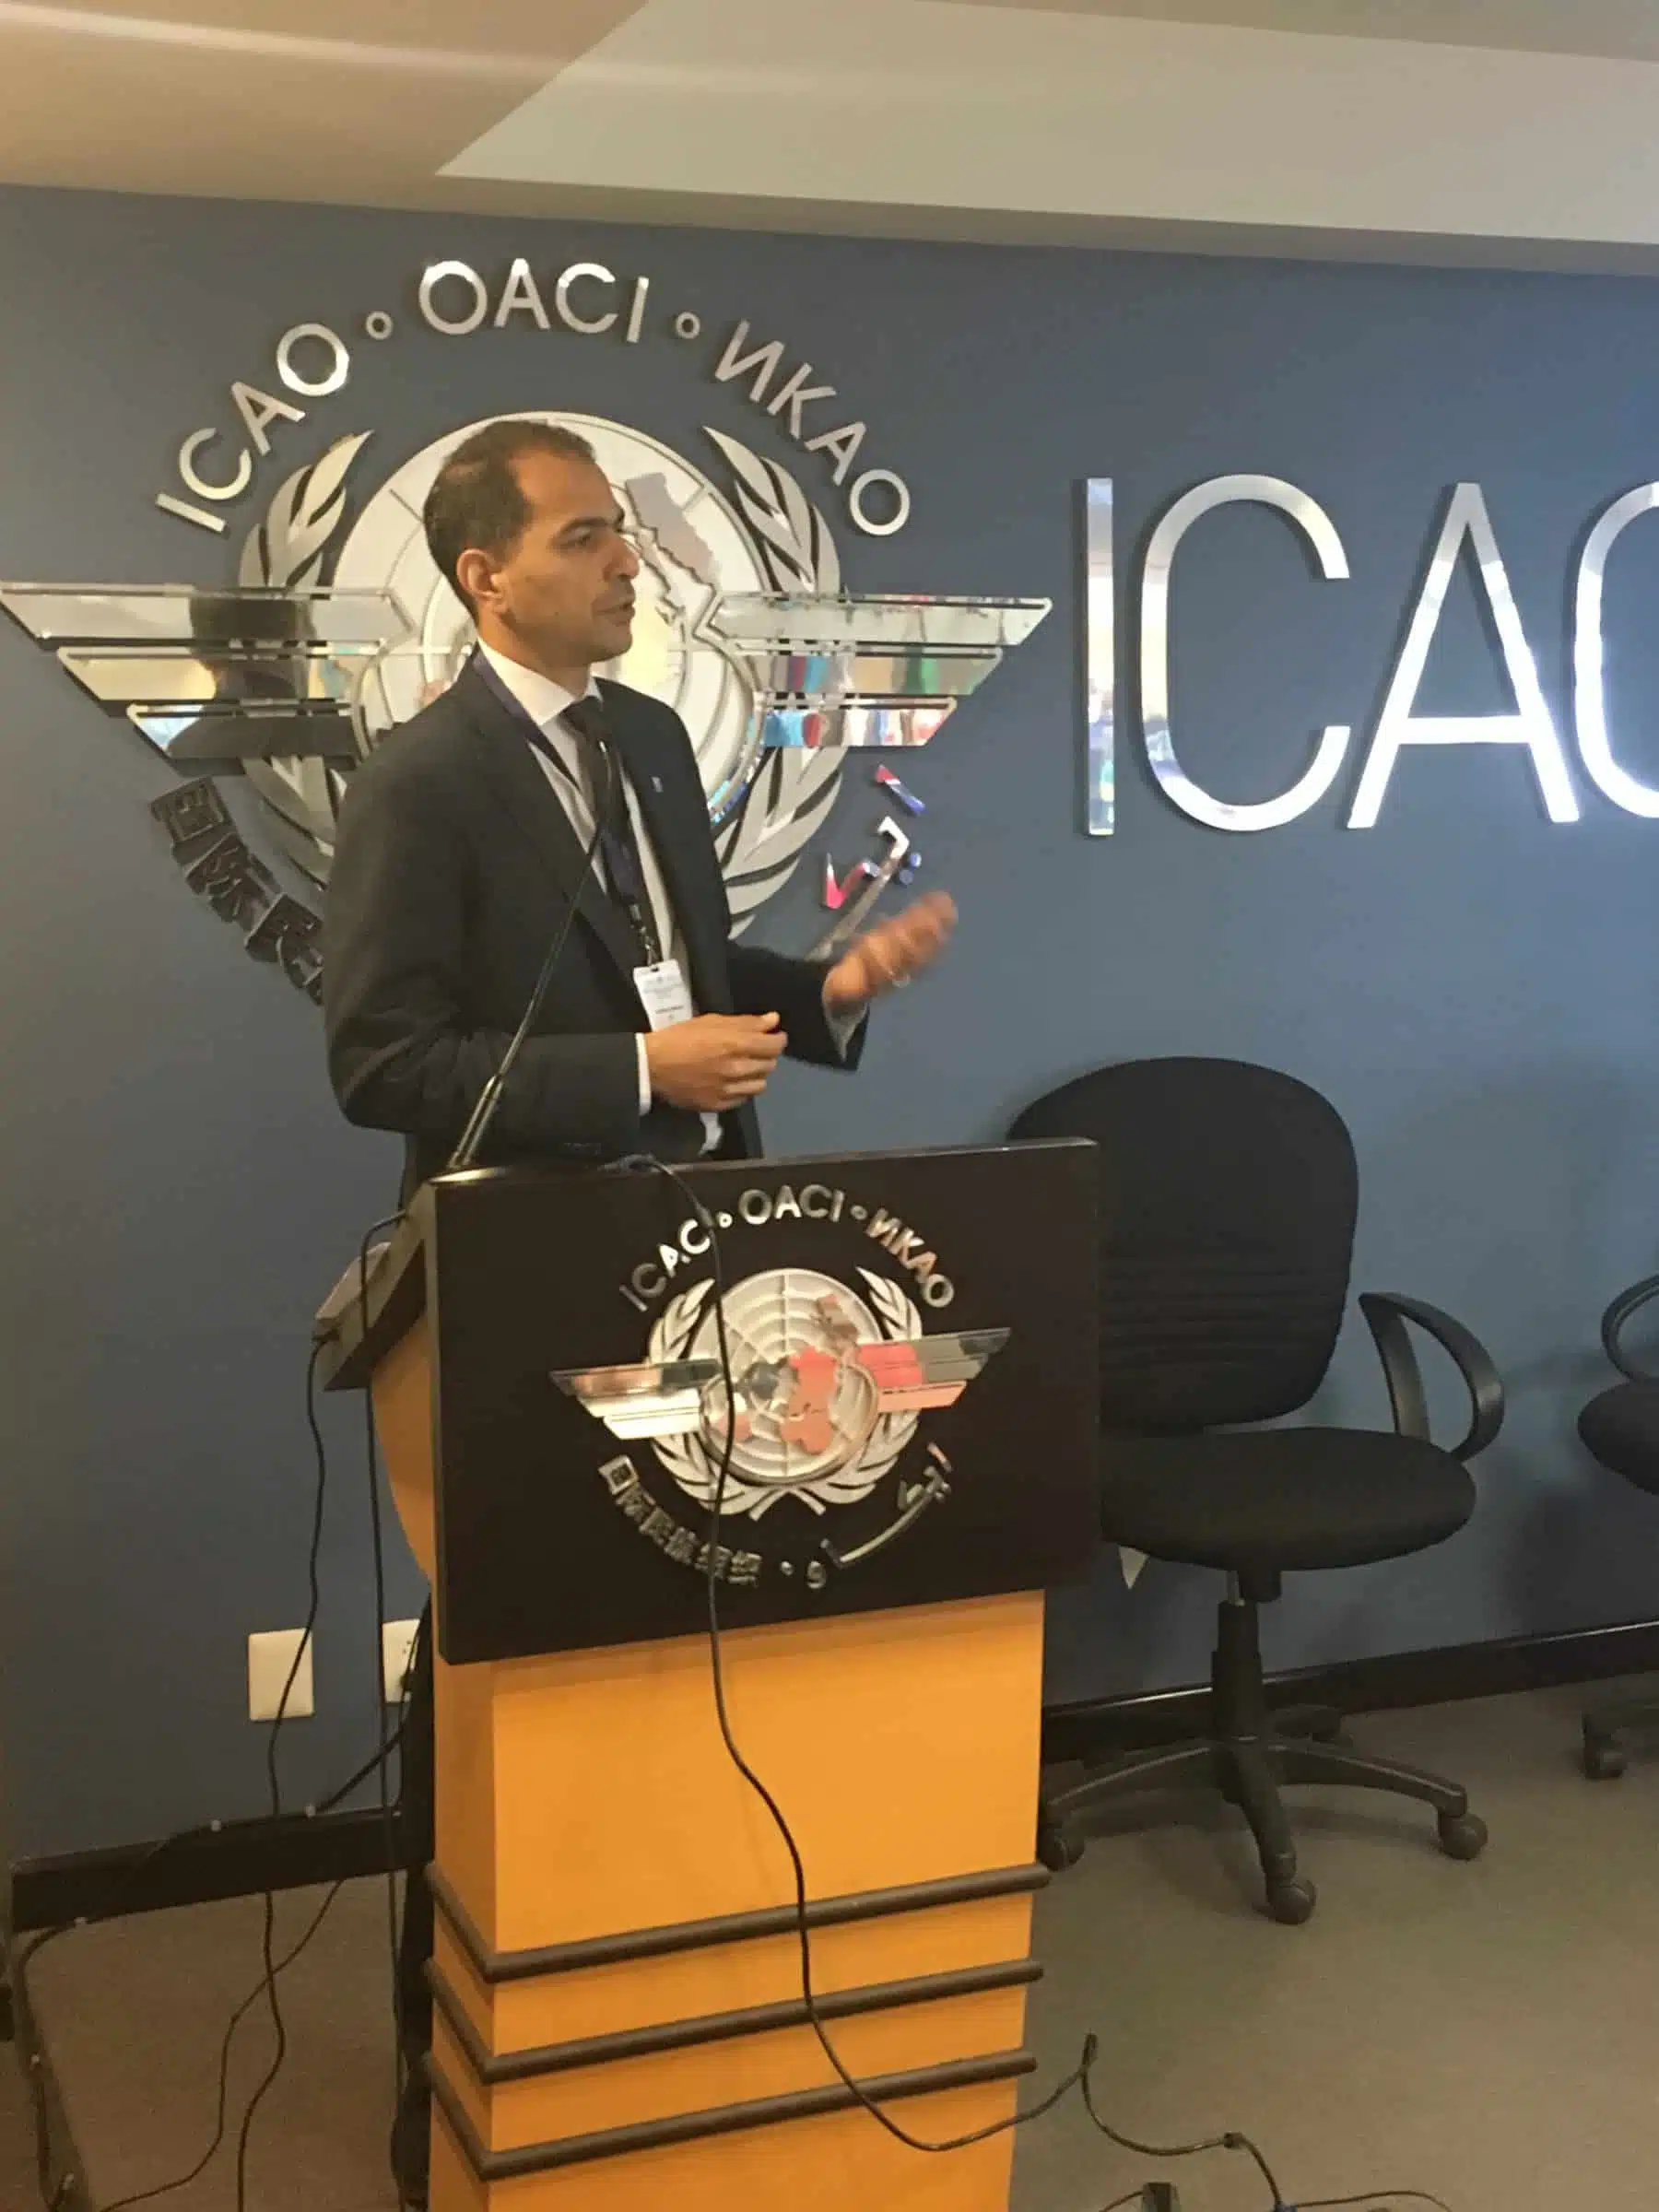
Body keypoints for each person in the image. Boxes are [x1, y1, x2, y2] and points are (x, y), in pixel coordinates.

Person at [320, 418, 954, 2206]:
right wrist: (632, 1076)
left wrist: (823, 991)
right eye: (588, 536)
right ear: (486, 576)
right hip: (527, 1280)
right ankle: (464, 2057)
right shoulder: (422, 781)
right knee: (529, 1665)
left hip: (709, 1264)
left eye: (625, 533)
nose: (628, 564)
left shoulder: (651, 740)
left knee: (685, 1659)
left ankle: (677, 2009)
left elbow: (674, 962)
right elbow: (381, 1060)